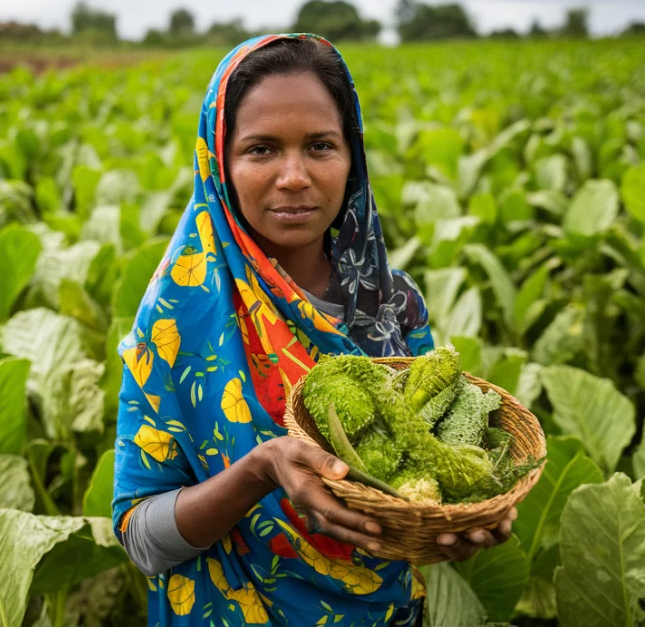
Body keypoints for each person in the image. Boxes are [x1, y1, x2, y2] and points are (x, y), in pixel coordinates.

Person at [111, 33, 517, 627]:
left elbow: (433, 472)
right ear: (218, 163)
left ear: (352, 157)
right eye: (261, 150)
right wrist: (258, 470)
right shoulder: (178, 319)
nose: (295, 176)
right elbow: (142, 539)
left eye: (321, 146)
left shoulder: (392, 301)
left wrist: (463, 520)